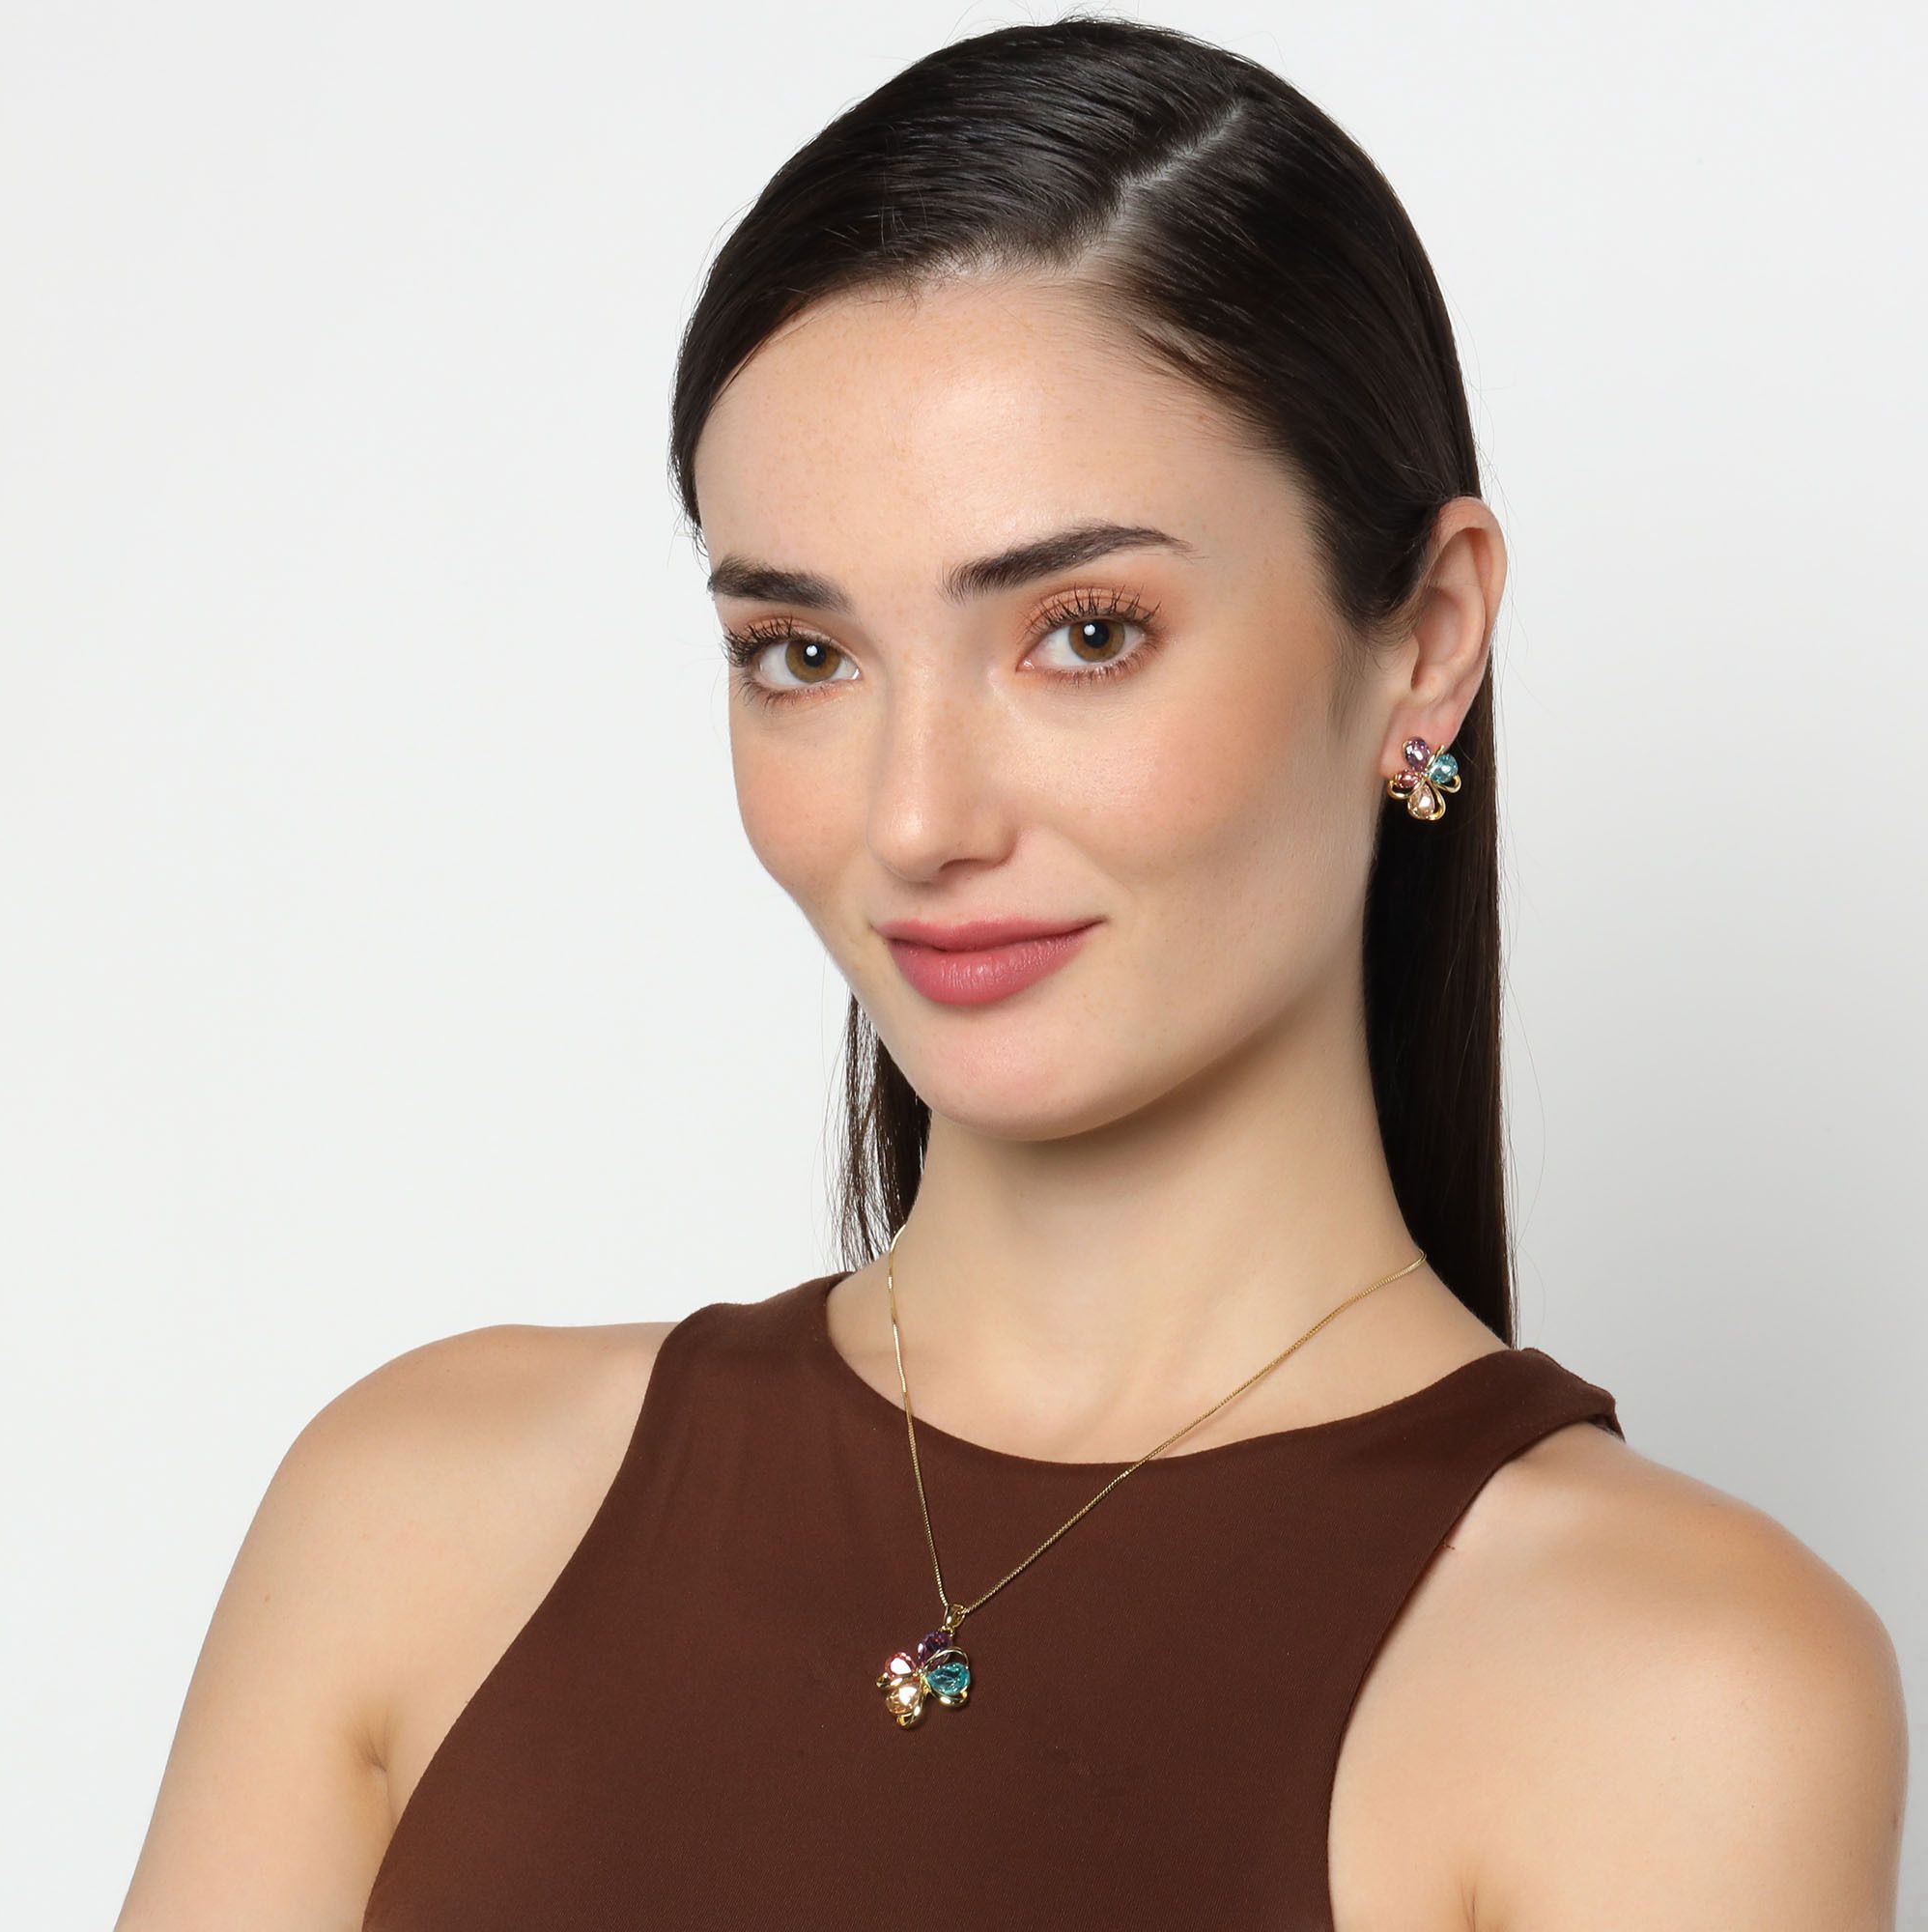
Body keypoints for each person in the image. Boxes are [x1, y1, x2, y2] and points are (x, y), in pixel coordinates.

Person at [117, 17, 1909, 1929]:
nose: (915, 818)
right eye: (805, 655)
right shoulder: (421, 1516)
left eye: (1084, 633)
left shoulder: (1672, 1695)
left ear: (1427, 639)